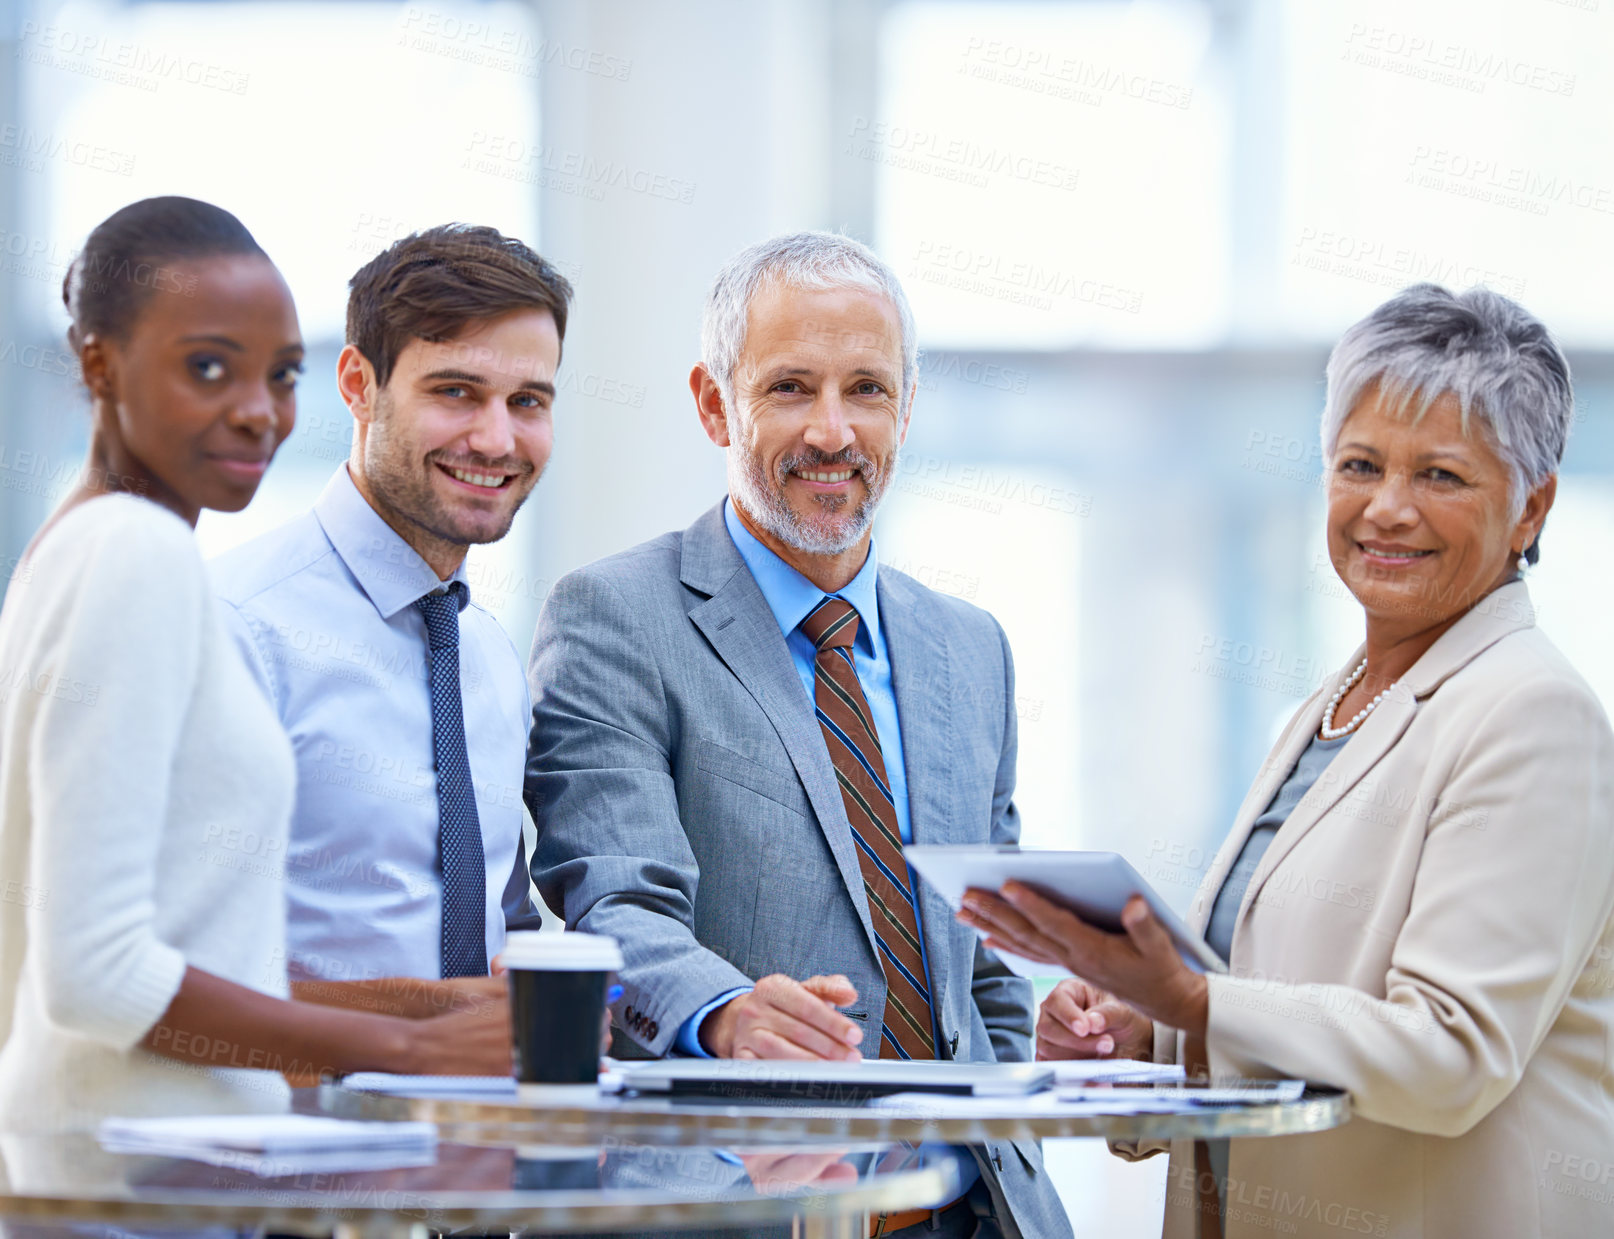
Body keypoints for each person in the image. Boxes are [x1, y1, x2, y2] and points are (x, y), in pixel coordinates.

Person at [960, 285, 1614, 1239]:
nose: (1387, 509)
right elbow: (1289, 992)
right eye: (1360, 465)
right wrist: (1152, 1030)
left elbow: (1451, 1052)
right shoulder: (1330, 708)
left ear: (1531, 509)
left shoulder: (1532, 713)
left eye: (1441, 475)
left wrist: (1192, 999)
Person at [526, 233, 1072, 1239]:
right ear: (712, 402)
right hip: (745, 1201)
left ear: (906, 407)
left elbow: (980, 957)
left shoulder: (970, 648)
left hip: (982, 1210)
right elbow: (610, 905)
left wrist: (1039, 1060)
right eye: (789, 388)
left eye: (866, 389)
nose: (834, 431)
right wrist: (722, 1012)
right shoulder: (616, 617)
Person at [0, 198, 511, 1135]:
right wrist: (413, 1050)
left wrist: (439, 1010)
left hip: (146, 1167)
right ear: (98, 366)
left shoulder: (76, 547)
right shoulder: (137, 556)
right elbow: (96, 974)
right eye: (206, 367)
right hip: (147, 1185)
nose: (257, 412)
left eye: (280, 375)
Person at [212, 226, 570, 1016]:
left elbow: (497, 932)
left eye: (528, 402)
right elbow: (170, 973)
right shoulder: (232, 628)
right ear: (357, 383)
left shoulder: (488, 655)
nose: (496, 438)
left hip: (479, 1132)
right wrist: (428, 1020)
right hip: (279, 1135)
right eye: (456, 392)